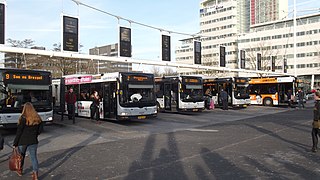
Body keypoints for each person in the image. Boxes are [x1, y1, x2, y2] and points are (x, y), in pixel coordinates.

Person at [13, 102, 43, 179]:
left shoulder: (23, 118)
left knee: (21, 156)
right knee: (33, 157)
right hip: (33, 140)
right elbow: (40, 130)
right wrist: (35, 135)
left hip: (23, 141)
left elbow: (19, 132)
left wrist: (15, 143)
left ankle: (20, 170)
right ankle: (35, 174)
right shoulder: (37, 118)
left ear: (24, 109)